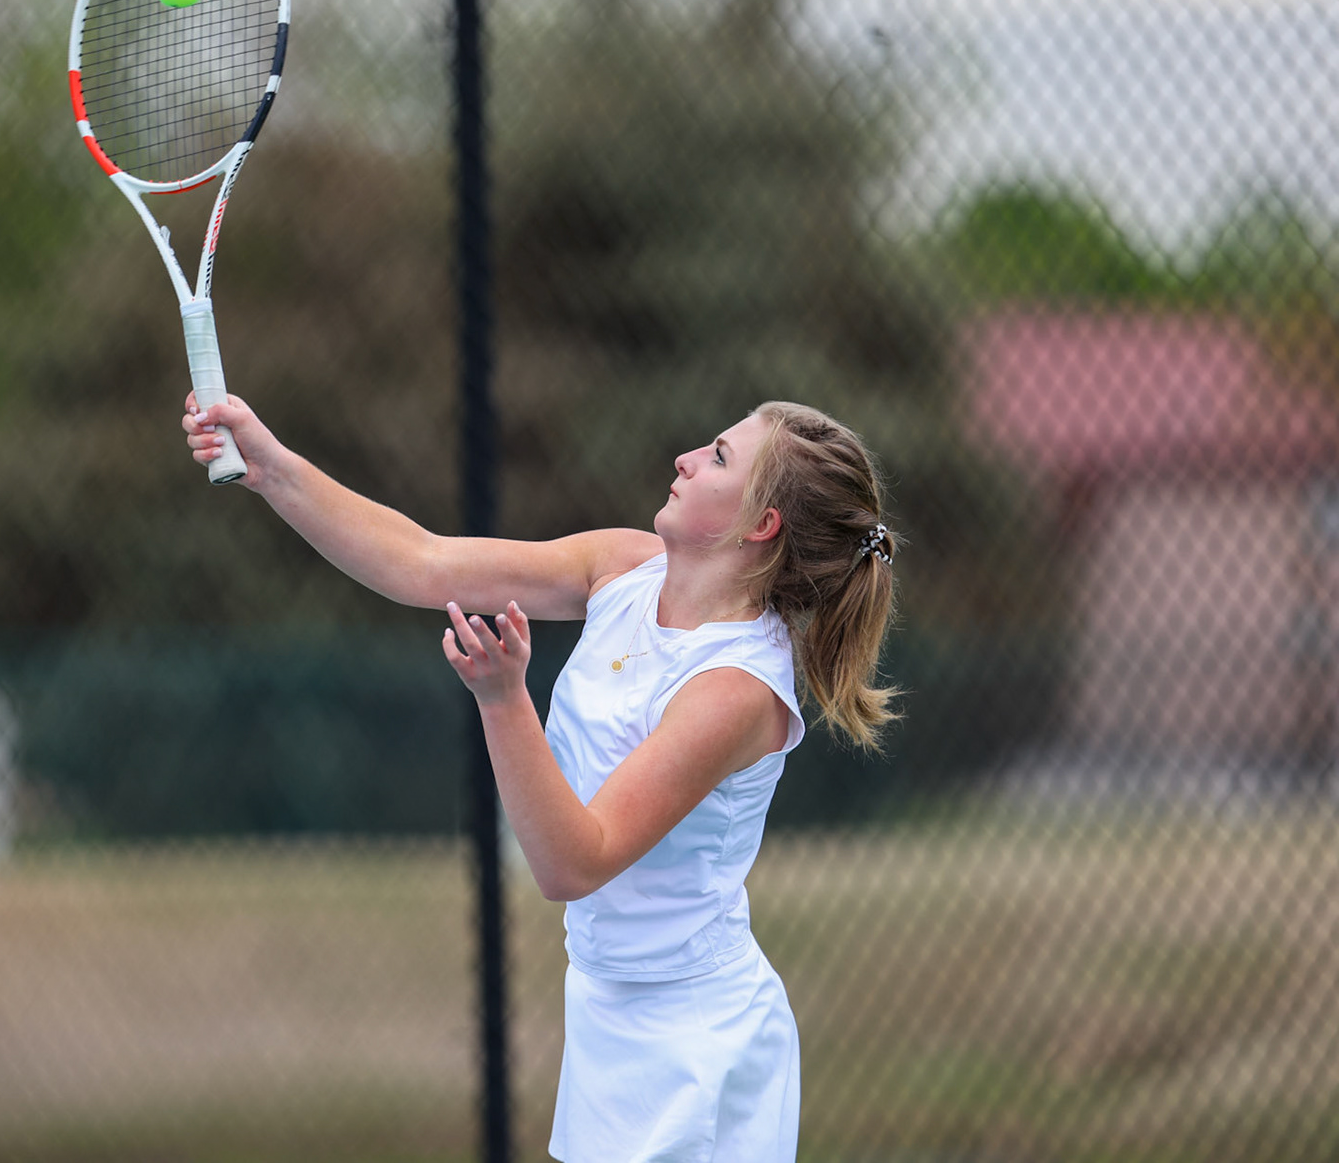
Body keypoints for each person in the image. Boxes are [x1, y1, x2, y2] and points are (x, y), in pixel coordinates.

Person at [182, 392, 899, 1162]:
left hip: (696, 1042)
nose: (688, 458)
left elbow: (573, 863)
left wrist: (501, 699)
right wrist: (271, 467)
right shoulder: (624, 565)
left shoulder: (735, 689)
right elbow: (421, 562)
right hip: (605, 1007)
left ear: (761, 526)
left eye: (720, 457)